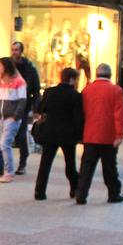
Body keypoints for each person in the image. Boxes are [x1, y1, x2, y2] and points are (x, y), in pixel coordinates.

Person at [75, 63, 123, 204]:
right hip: (108, 136)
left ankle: (81, 194)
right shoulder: (116, 90)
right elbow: (119, 114)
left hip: (90, 135)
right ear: (110, 75)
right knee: (109, 167)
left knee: (86, 167)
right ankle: (113, 193)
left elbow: (82, 113)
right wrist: (119, 134)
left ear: (96, 74)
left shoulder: (87, 90)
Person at [32, 67, 83, 200]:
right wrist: (80, 136)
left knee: (45, 163)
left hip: (50, 132)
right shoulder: (76, 96)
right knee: (70, 164)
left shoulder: (50, 92)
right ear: (72, 79)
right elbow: (78, 118)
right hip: (68, 134)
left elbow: (41, 109)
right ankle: (74, 188)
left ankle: (39, 191)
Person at [0, 41, 41, 175]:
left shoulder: (29, 68)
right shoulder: (6, 66)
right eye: (12, 50)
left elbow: (35, 90)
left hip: (20, 108)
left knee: (20, 136)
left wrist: (36, 109)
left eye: (16, 50)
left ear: (21, 51)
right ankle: (0, 164)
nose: (14, 52)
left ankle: (22, 162)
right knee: (3, 138)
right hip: (4, 107)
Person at [0, 57, 25, 183]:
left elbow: (22, 101)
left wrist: (16, 116)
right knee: (1, 143)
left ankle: (9, 171)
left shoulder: (19, 82)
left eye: (0, 66)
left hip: (11, 117)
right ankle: (6, 168)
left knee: (5, 144)